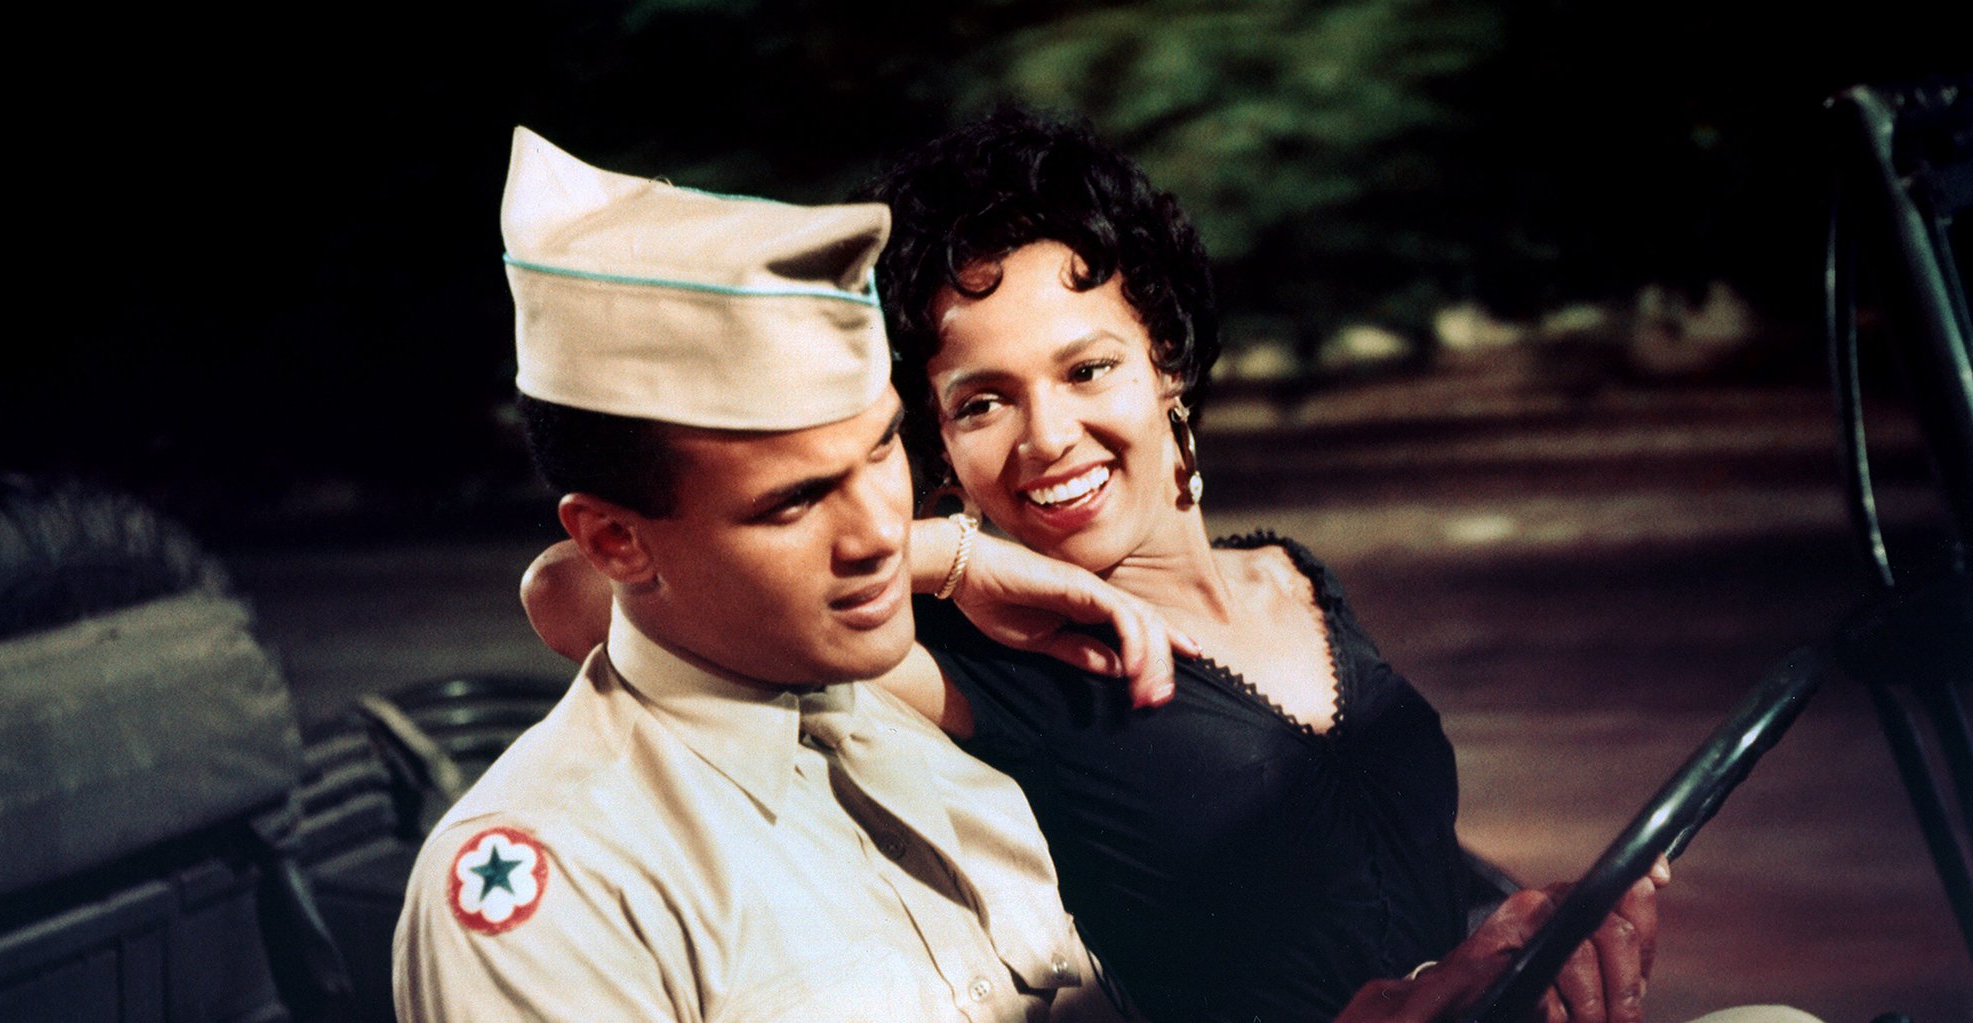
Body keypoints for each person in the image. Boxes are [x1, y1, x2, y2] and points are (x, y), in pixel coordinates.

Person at [523, 111, 1818, 1023]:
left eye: (1088, 368)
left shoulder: (1290, 577)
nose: (1047, 437)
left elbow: (1386, 844)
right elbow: (574, 596)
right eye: (980, 402)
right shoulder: (968, 660)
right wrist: (958, 555)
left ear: (1167, 364)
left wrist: (1538, 917)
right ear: (935, 441)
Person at [395, 124, 1205, 1022]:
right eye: (793, 502)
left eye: (883, 447)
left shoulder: (920, 748)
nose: (880, 532)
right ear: (618, 541)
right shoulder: (568, 889)